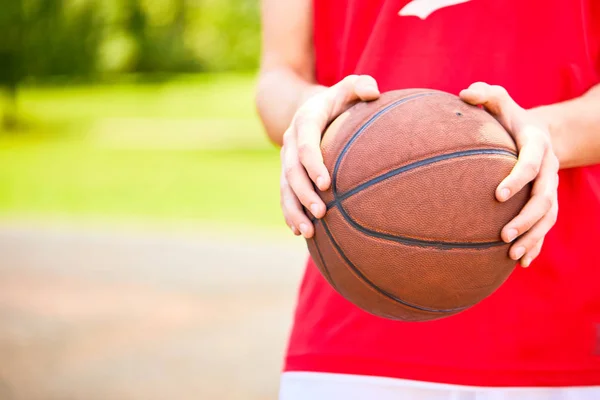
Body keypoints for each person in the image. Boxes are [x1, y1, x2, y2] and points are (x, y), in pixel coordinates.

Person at [255, 0, 600, 398]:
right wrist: (308, 113)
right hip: (352, 333)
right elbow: (278, 75)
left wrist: (543, 133)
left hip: (563, 338)